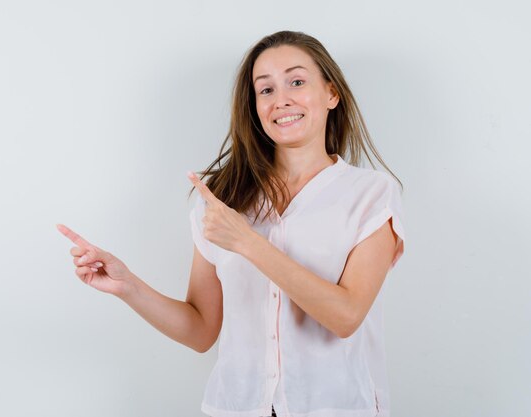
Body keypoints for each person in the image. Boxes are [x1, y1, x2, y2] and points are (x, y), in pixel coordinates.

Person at [57, 30, 406, 417]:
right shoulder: (222, 199)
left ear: (331, 93)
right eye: (265, 90)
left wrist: (248, 242)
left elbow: (346, 316)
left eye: (297, 81)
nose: (281, 99)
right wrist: (128, 287)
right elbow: (202, 329)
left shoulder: (371, 194)